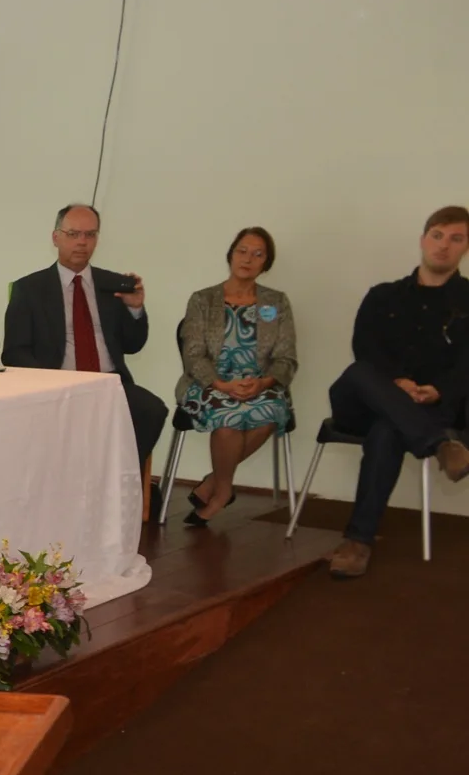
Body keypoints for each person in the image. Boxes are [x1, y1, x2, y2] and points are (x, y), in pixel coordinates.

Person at [322, 206, 469, 579]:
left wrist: (438, 391)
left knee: (387, 431)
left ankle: (357, 543)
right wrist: (397, 384)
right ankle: (440, 445)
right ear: (423, 240)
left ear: (466, 248)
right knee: (358, 373)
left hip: (428, 407)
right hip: (363, 403)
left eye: (456, 239)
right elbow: (364, 349)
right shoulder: (382, 296)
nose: (443, 246)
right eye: (437, 235)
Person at [4, 204, 169, 464]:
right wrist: (49, 383)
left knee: (152, 410)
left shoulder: (112, 285)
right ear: (56, 237)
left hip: (110, 384)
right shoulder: (29, 289)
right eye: (73, 234)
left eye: (90, 235)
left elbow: (134, 345)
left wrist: (135, 308)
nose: (82, 242)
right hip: (58, 386)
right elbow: (14, 351)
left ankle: (120, 477)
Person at [174, 228, 299, 526]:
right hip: (208, 384)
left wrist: (264, 383)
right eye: (242, 251)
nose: (248, 259)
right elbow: (193, 354)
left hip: (261, 384)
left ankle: (213, 483)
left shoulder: (276, 302)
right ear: (231, 254)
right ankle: (223, 491)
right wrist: (222, 385)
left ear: (266, 263)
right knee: (227, 417)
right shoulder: (203, 300)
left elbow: (286, 358)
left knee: (271, 411)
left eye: (258, 254)